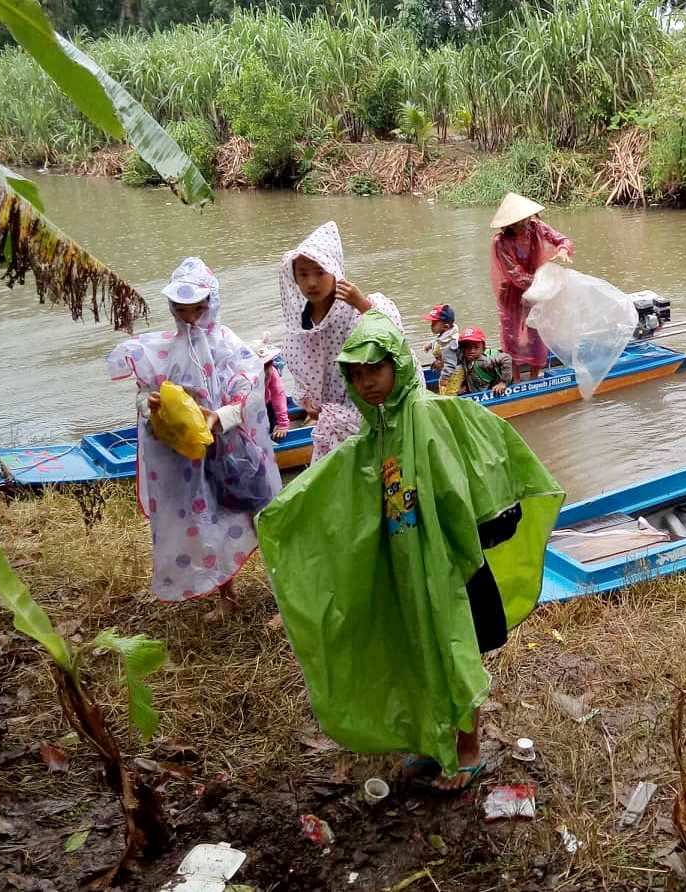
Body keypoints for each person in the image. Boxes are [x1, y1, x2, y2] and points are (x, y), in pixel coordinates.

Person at [256, 312, 564, 793]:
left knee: (454, 651)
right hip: (407, 567)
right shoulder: (377, 431)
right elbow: (352, 488)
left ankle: (467, 751)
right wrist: (285, 514)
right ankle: (430, 740)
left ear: (398, 365)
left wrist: (455, 557)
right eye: (356, 375)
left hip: (449, 569)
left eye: (374, 370)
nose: (367, 383)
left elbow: (465, 485)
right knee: (417, 650)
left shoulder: (429, 416)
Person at [108, 257, 281, 621]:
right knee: (206, 522)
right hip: (187, 458)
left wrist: (221, 416)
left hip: (232, 452)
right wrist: (150, 405)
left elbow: (248, 394)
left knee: (258, 515)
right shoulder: (161, 351)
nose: (189, 318)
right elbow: (144, 395)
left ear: (210, 304)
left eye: (197, 309)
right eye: (181, 309)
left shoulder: (229, 347)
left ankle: (283, 588)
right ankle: (226, 595)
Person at [278, 221, 415, 462]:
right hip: (332, 420)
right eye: (303, 274)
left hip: (371, 407)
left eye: (320, 272)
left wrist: (362, 304)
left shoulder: (356, 309)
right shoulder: (299, 327)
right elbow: (300, 371)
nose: (311, 282)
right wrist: (309, 402)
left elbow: (394, 340)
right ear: (294, 279)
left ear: (335, 270)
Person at [489, 192, 573, 382]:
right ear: (510, 223)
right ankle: (516, 380)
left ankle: (535, 377)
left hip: (538, 292)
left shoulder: (536, 228)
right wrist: (545, 284)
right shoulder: (500, 242)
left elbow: (562, 239)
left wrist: (563, 250)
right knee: (513, 337)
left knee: (536, 332)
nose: (525, 222)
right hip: (512, 295)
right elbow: (515, 274)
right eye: (520, 220)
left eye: (526, 218)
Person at [455, 326, 513, 397]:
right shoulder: (464, 359)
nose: (471, 351)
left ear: (483, 348)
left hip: (491, 389)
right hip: (476, 388)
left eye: (476, 347)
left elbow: (506, 358)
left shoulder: (485, 361)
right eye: (467, 347)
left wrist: (503, 383)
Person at [422, 304, 463, 395]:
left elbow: (451, 364)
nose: (431, 325)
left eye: (434, 323)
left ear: (445, 326)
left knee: (450, 393)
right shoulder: (445, 334)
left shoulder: (449, 344)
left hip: (453, 373)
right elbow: (438, 340)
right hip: (445, 369)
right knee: (443, 390)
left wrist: (445, 378)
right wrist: (430, 345)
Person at [255, 332, 289, 442]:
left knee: (269, 423)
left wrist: (283, 424)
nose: (266, 371)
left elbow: (278, 397)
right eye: (262, 366)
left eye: (268, 364)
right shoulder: (245, 377)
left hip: (267, 402)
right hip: (252, 406)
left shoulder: (273, 373)